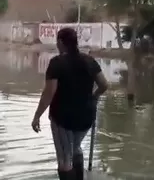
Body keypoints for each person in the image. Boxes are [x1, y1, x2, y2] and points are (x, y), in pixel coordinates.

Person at [31, 27, 108, 180]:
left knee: (64, 158)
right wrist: (93, 97)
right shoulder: (89, 61)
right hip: (86, 117)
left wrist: (37, 116)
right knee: (76, 147)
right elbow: (104, 85)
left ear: (60, 42)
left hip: (63, 119)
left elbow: (49, 92)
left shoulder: (57, 63)